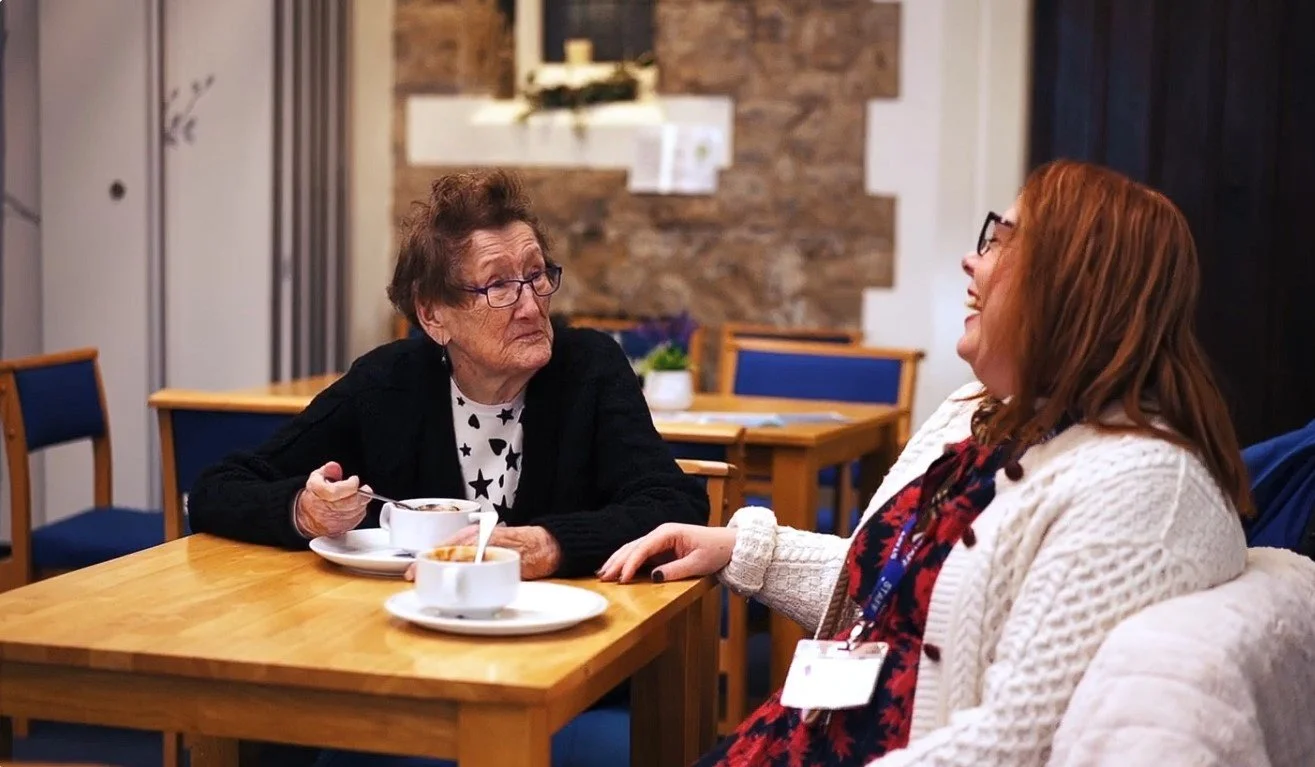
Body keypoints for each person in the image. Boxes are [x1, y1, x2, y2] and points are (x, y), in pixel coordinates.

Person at [599, 159, 1253, 766]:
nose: (971, 258)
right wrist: (738, 549)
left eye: (1001, 240)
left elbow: (1013, 741)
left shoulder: (1140, 487)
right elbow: (904, 591)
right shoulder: (986, 413)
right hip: (802, 734)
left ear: (1074, 285)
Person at [189, 168, 709, 581]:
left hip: (561, 639)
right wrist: (305, 512)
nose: (530, 306)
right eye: (498, 286)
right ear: (433, 314)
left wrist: (550, 545)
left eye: (535, 275)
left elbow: (674, 503)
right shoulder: (388, 385)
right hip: (409, 636)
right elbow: (217, 488)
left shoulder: (589, 368)